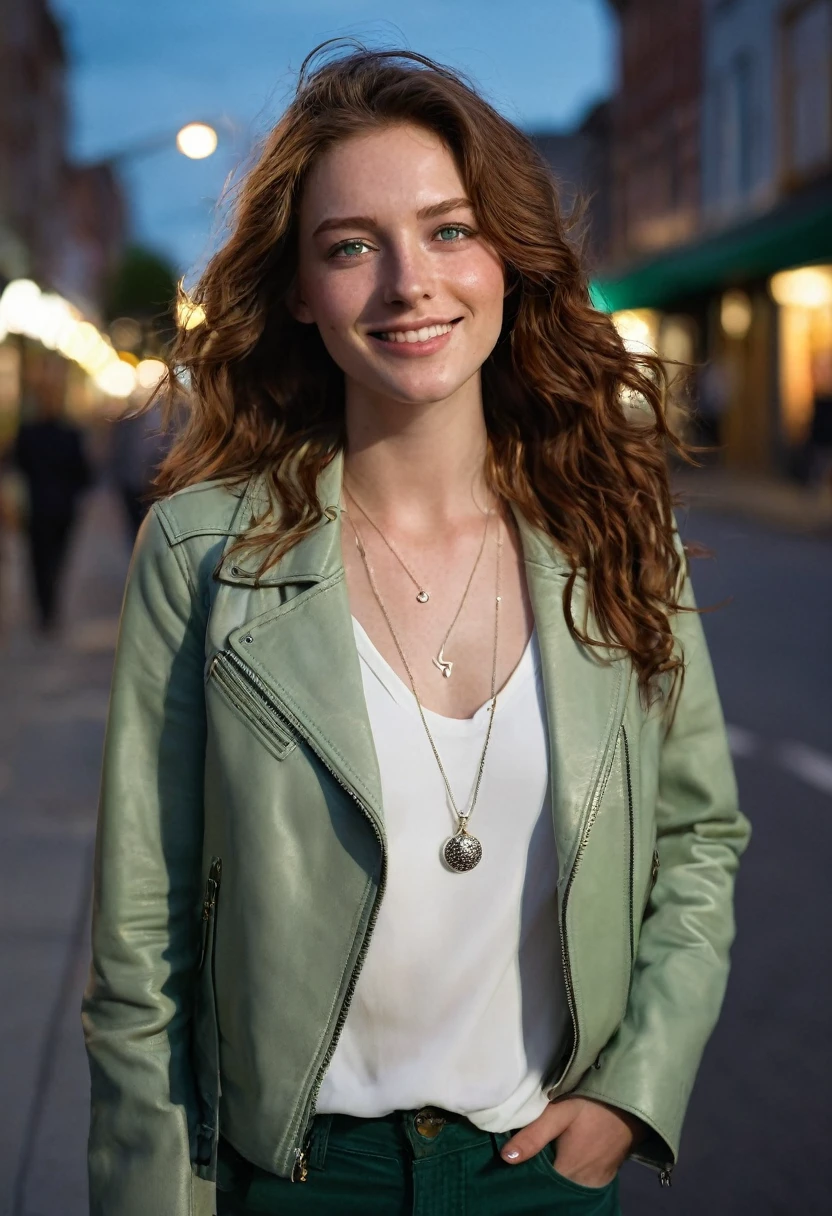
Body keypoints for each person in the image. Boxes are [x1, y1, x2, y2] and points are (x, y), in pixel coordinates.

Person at [82, 44, 750, 1216]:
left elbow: (698, 835)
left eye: (449, 231)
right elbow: (142, 942)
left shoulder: (615, 531)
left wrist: (631, 1092)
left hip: (537, 1170)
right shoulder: (200, 551)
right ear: (297, 287)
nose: (409, 283)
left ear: (507, 255)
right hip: (292, 1175)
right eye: (352, 246)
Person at [12, 391, 92, 630]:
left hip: (38, 507)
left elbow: (19, 466)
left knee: (39, 560)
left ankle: (45, 607)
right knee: (55, 559)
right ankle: (49, 605)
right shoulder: (69, 434)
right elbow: (84, 473)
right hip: (60, 508)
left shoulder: (29, 433)